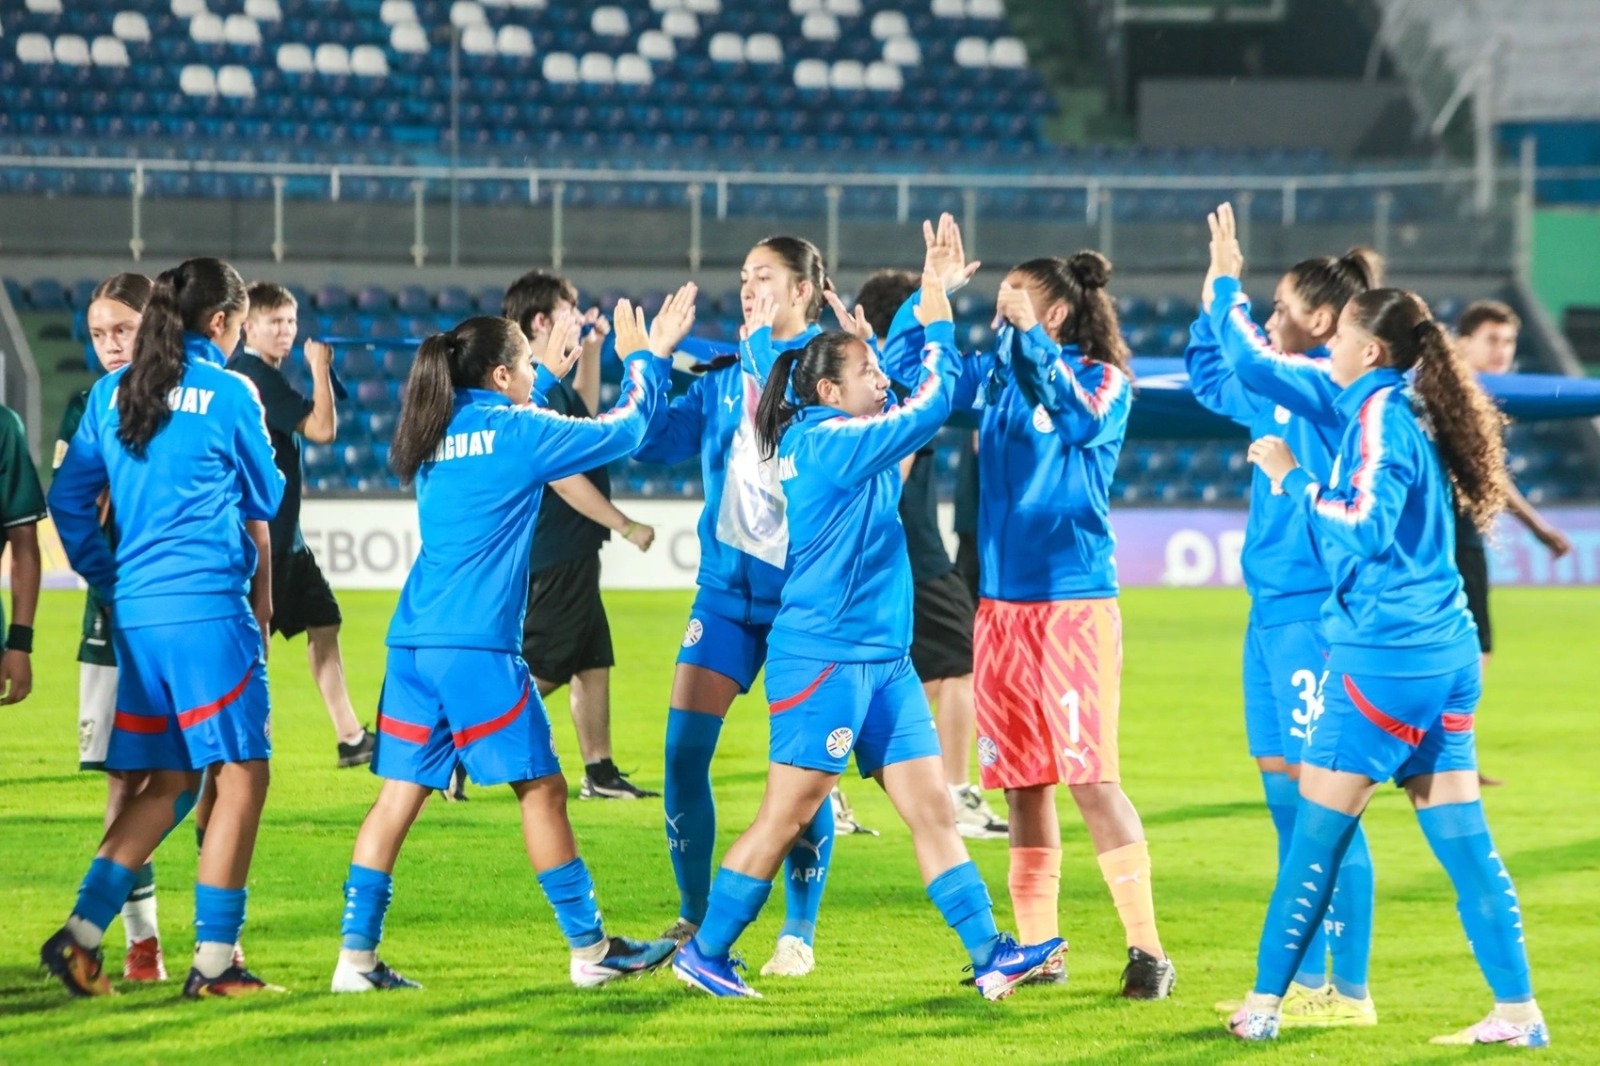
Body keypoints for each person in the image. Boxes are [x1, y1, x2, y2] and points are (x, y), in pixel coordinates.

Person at [672, 272, 1064, 1000]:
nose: (880, 380)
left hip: (883, 661)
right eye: (866, 372)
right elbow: (932, 403)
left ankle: (989, 953)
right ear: (828, 391)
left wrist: (920, 302)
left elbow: (903, 390)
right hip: (824, 659)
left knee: (933, 809)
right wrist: (940, 324)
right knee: (787, 814)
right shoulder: (827, 444)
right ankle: (708, 950)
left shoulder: (839, 429)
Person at [636, 222, 973, 979]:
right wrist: (649, 363)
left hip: (806, 602)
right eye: (744, 274)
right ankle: (698, 920)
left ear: (801, 289)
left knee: (803, 775)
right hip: (727, 595)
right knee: (683, 752)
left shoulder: (830, 370)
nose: (747, 285)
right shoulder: (729, 376)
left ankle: (798, 930)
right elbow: (648, 437)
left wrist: (928, 306)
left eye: (763, 275)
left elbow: (906, 389)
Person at [330, 294, 691, 993]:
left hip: (412, 645)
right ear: (501, 375)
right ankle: (590, 952)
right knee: (544, 791)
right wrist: (649, 358)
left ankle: (355, 962)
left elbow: (516, 432)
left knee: (397, 799)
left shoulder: (433, 432)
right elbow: (630, 428)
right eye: (525, 364)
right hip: (478, 650)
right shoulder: (518, 431)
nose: (532, 373)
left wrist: (553, 378)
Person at [1226, 280, 1548, 1048]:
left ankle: (1265, 1006)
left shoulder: (1376, 418)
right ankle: (1519, 1012)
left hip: (1385, 660)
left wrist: (1289, 477)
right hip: (1447, 654)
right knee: (1466, 843)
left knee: (1315, 836)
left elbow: (1364, 528)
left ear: (1369, 350)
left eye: (1337, 338)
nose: (1327, 347)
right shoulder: (1402, 409)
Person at [45, 256, 287, 998]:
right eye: (242, 324)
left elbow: (67, 500)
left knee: (172, 780)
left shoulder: (113, 392)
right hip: (208, 611)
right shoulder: (228, 389)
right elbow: (267, 494)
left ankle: (82, 933)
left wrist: (111, 579)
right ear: (221, 323)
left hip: (139, 618)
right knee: (244, 773)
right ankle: (216, 963)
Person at [949, 251, 1177, 998]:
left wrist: (1035, 349)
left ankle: (1148, 950)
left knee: (1090, 779)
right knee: (1022, 787)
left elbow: (1077, 421)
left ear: (1053, 314)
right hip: (1001, 611)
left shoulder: (1105, 382)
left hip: (1073, 607)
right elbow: (928, 385)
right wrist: (926, 307)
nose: (998, 309)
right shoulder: (991, 379)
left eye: (1013, 298)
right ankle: (1039, 949)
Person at [1189, 203, 1382, 1025]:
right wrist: (1212, 300)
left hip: (1315, 616)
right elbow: (1212, 376)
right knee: (1284, 800)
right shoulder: (1277, 387)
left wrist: (1227, 286)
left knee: (1325, 803)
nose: (1269, 320)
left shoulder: (1333, 395)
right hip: (1268, 616)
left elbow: (1248, 358)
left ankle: (1353, 990)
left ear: (1325, 321)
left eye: (1280, 308)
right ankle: (1306, 984)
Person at [856, 267, 1006, 840]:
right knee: (964, 665)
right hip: (914, 547)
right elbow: (897, 464)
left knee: (921, 673)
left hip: (897, 549)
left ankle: (910, 794)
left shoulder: (860, 380)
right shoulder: (894, 382)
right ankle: (954, 794)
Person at [501, 269, 659, 800]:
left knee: (592, 660)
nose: (578, 314)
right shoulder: (526, 389)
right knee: (546, 664)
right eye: (569, 310)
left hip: (572, 547)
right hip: (556, 546)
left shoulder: (545, 384)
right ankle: (454, 745)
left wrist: (590, 351)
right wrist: (625, 523)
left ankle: (600, 772)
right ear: (543, 319)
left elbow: (585, 417)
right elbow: (566, 479)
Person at [56, 272, 170, 982]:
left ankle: (226, 941)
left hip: (182, 615)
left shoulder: (183, 397)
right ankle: (141, 942)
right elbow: (76, 504)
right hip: (117, 619)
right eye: (97, 334)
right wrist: (112, 586)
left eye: (121, 331)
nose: (108, 346)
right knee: (126, 784)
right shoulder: (88, 404)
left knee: (209, 774)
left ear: (153, 324)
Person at [229, 282, 374, 767]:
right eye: (275, 322)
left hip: (284, 538)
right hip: (261, 538)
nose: (286, 331)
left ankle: (350, 737)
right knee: (256, 639)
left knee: (323, 620)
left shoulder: (264, 375)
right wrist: (318, 369)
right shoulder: (252, 376)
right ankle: (245, 737)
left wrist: (320, 375)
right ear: (248, 327)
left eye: (291, 321)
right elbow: (323, 430)